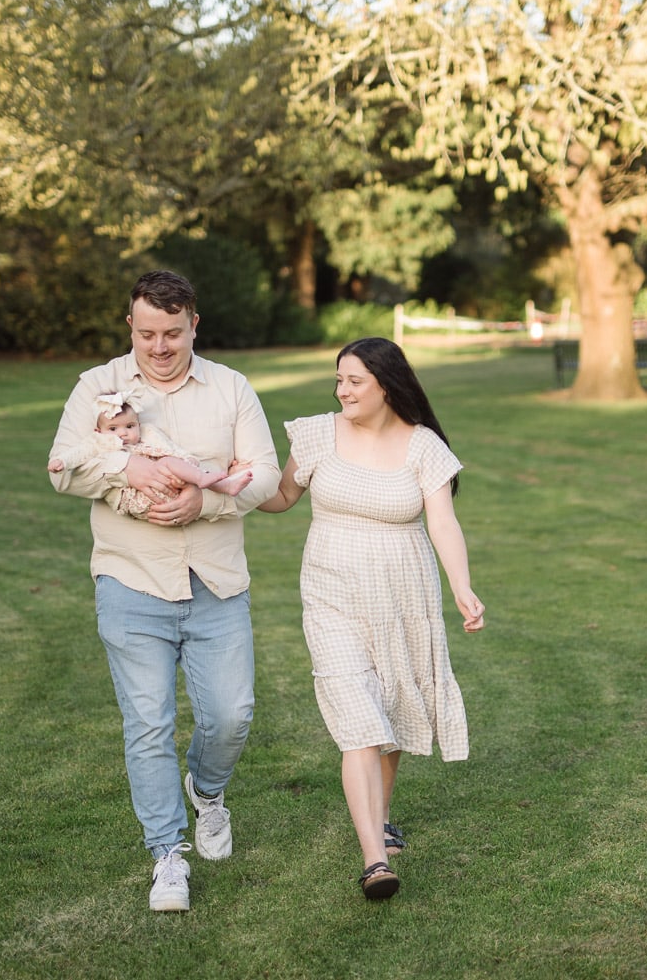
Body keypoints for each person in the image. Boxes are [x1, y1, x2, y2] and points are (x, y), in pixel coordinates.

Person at [47, 270, 280, 912]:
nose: (159, 346)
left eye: (172, 333)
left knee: (232, 715)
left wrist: (203, 500)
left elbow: (262, 477)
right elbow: (63, 468)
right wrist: (131, 464)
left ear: (194, 326)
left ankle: (207, 791)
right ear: (130, 326)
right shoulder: (96, 389)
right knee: (148, 724)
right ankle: (166, 856)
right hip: (130, 580)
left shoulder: (231, 389)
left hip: (216, 582)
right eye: (147, 333)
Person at [258, 336, 485, 900]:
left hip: (403, 595)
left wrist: (462, 587)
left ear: (386, 384)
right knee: (357, 715)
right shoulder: (316, 434)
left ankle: (378, 819)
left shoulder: (422, 446)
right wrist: (222, 483)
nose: (342, 391)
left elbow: (444, 524)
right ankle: (374, 859)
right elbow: (281, 495)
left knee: (393, 708)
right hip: (331, 594)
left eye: (353, 381)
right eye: (338, 380)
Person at [48, 387, 254, 517]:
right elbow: (79, 453)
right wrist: (62, 462)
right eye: (113, 429)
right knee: (169, 464)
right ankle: (207, 480)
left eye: (130, 426)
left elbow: (170, 449)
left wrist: (187, 460)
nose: (123, 434)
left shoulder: (147, 433)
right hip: (137, 498)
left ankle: (225, 485)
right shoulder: (98, 442)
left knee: (173, 463)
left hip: (169, 488)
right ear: (99, 431)